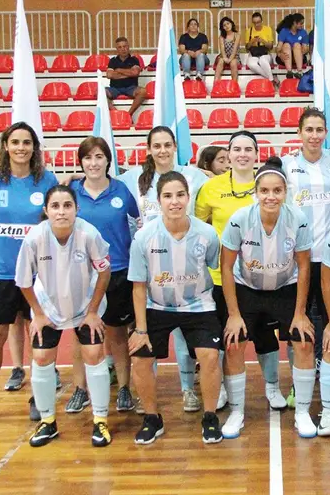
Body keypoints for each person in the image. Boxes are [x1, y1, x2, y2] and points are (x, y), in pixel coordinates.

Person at [116, 126, 214, 412]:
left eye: (167, 145)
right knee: (148, 339)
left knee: (185, 338)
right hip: (150, 263)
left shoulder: (194, 176)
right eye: (156, 145)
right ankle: (149, 399)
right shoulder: (134, 177)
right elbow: (102, 179)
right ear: (148, 149)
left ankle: (188, 391)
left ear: (175, 147)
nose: (162, 150)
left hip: (186, 263)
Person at [0, 122, 59, 428]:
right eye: (15, 142)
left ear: (35, 148)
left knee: (39, 338)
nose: (21, 147)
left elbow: (55, 224)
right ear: (5, 146)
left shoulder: (46, 181)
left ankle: (38, 397)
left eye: (27, 143)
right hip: (0, 275)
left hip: (37, 276)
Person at [219, 157, 315, 438]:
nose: (271, 196)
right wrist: (234, 315)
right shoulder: (240, 221)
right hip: (247, 289)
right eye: (265, 191)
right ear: (256, 192)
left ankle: (302, 413)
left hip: (285, 288)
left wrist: (299, 313)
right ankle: (237, 412)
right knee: (234, 343)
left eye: (277, 191)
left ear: (285, 192)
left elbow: (304, 265)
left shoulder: (297, 219)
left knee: (304, 341)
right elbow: (226, 266)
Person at [127, 171, 225, 445]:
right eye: (168, 196)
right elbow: (138, 286)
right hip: (156, 305)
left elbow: (217, 268)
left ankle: (209, 416)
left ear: (188, 197)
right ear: (158, 200)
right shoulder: (144, 237)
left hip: (198, 304)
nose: (175, 202)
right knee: (141, 357)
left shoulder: (206, 234)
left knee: (208, 356)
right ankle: (152, 418)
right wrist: (141, 329)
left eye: (180, 195)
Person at [194, 131, 288, 411]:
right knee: (229, 337)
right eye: (237, 149)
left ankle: (272, 387)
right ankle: (221, 387)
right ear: (229, 154)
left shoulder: (269, 185)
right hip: (221, 277)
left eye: (249, 149)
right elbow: (198, 226)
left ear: (257, 154)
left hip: (262, 276)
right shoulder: (211, 188)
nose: (243, 154)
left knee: (263, 335)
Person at [15, 185, 113, 447]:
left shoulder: (89, 234)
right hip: (49, 306)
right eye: (55, 206)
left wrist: (92, 312)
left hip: (84, 304)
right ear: (46, 210)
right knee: (41, 356)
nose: (61, 212)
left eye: (67, 206)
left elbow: (104, 272)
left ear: (76, 209)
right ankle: (47, 421)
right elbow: (24, 281)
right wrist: (37, 313)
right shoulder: (34, 238)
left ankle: (100, 421)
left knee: (93, 354)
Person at [280, 108, 330, 405]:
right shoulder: (286, 165)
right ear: (299, 133)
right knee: (297, 317)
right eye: (308, 129)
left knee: (328, 318)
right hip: (296, 255)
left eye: (319, 129)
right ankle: (299, 382)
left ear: (326, 133)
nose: (314, 135)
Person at [66, 137, 141, 413]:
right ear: (81, 162)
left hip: (118, 271)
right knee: (80, 335)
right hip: (81, 274)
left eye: (99, 157)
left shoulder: (121, 190)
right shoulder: (72, 190)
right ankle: (80, 389)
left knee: (117, 334)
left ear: (108, 160)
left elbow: (138, 222)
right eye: (87, 158)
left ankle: (123, 388)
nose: (93, 163)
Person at [106, 37, 147, 117]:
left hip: (131, 87)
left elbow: (135, 73)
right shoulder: (113, 60)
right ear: (117, 49)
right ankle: (116, 113)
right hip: (115, 88)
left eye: (125, 46)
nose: (123, 49)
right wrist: (128, 72)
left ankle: (128, 114)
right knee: (99, 92)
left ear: (128, 47)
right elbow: (109, 75)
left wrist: (118, 70)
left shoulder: (134, 59)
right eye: (120, 47)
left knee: (143, 92)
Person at [275, 13, 310, 79]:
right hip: (285, 57)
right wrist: (280, 54)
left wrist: (304, 49)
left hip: (299, 57)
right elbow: (278, 47)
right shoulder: (284, 31)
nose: (302, 25)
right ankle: (289, 72)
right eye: (301, 23)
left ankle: (299, 72)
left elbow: (305, 48)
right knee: (286, 45)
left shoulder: (303, 32)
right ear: (294, 23)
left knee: (297, 45)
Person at [245, 12, 276, 85]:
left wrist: (263, 41)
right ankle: (272, 79)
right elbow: (247, 48)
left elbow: (271, 47)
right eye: (254, 23)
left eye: (258, 22)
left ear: (262, 21)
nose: (256, 25)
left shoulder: (267, 29)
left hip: (265, 53)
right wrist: (251, 42)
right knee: (251, 64)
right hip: (253, 54)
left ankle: (271, 80)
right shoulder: (249, 31)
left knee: (263, 60)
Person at [213, 17, 240, 85]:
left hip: (234, 56)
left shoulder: (237, 35)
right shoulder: (221, 37)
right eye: (224, 25)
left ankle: (234, 85)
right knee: (221, 61)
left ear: (231, 24)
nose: (227, 26)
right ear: (222, 28)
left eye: (228, 23)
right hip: (223, 56)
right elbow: (222, 49)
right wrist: (225, 58)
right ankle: (215, 84)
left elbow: (235, 49)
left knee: (233, 62)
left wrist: (230, 59)